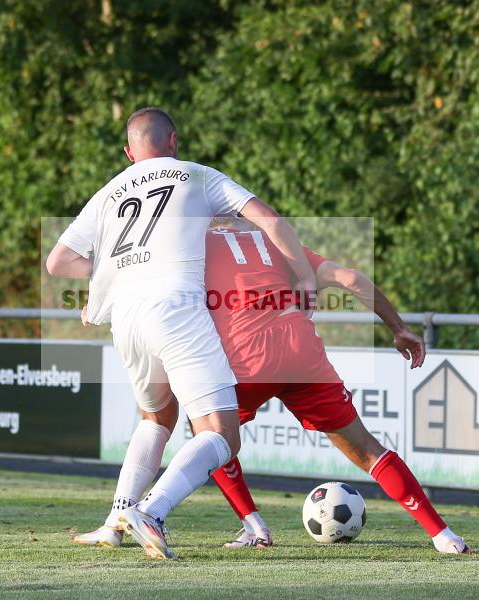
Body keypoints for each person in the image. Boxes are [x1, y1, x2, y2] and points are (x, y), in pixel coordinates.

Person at [74, 219, 472, 555]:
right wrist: (398, 328)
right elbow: (349, 278)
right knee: (367, 449)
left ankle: (243, 524)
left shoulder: (188, 243)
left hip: (246, 357)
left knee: (210, 435)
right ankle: (443, 535)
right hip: (301, 352)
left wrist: (98, 303)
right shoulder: (274, 241)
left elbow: (139, 279)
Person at [47, 108, 316, 559]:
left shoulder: (110, 191)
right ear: (173, 141)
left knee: (157, 417)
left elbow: (57, 262)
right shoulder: (196, 174)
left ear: (129, 152)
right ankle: (151, 513)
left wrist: (110, 281)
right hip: (176, 309)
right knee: (223, 434)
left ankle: (115, 521)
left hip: (126, 318)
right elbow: (269, 220)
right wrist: (304, 277)